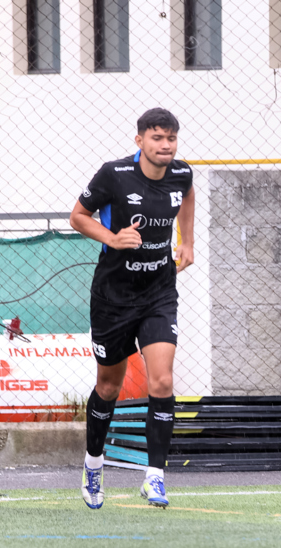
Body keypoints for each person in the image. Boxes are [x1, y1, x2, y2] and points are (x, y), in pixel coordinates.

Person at [70, 108, 195, 509]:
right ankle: (93, 464)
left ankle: (154, 476)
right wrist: (112, 238)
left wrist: (187, 240)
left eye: (171, 138)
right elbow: (78, 217)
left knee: (162, 381)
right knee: (109, 385)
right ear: (140, 141)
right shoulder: (114, 174)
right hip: (113, 296)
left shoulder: (181, 173)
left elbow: (187, 195)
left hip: (159, 293)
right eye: (157, 138)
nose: (165, 146)